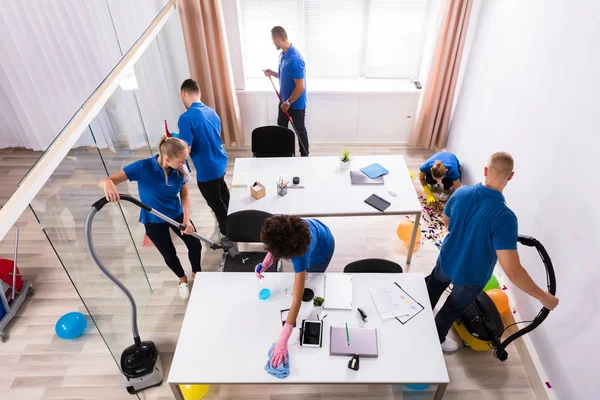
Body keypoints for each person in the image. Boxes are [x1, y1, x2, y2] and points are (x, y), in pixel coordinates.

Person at [426, 152, 559, 352]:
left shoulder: (461, 193)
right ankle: (434, 338)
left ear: (486, 170)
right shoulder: (505, 218)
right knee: (452, 307)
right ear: (511, 176)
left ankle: (417, 321)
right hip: (471, 277)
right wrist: (543, 297)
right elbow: (512, 270)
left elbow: (447, 223)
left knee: (433, 287)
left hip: (447, 259)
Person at [99, 136, 200, 300]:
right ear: (167, 158)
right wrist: (107, 183)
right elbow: (106, 180)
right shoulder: (142, 167)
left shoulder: (180, 169)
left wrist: (186, 220)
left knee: (195, 244)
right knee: (169, 254)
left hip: (176, 214)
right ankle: (182, 279)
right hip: (153, 220)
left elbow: (185, 195)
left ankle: (197, 273)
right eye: (181, 160)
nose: (184, 163)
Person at [254, 215, 335, 367]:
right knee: (304, 277)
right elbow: (275, 244)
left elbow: (297, 300)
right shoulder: (282, 226)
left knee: (313, 278)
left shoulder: (301, 256)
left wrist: (283, 340)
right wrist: (266, 263)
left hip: (323, 248)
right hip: (316, 230)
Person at [178, 78, 230, 240]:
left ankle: (227, 233)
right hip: (220, 162)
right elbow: (207, 136)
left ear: (184, 93)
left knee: (215, 203)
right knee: (223, 192)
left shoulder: (186, 118)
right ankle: (233, 216)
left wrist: (172, 145)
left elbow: (185, 151)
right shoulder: (211, 112)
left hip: (207, 170)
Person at [263, 26, 309, 157]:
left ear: (277, 39)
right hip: (284, 101)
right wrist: (272, 73)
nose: (272, 43)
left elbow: (300, 87)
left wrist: (288, 103)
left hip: (295, 104)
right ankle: (285, 154)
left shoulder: (295, 59)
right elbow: (285, 75)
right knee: (281, 128)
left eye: (273, 41)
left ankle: (305, 157)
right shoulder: (282, 55)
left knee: (300, 131)